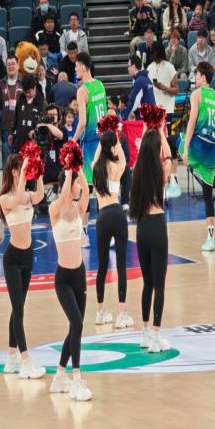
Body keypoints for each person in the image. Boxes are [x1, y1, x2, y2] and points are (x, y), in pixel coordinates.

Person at [0, 156, 46, 378]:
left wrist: (39, 172)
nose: (25, 172)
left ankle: (11, 358)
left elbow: (40, 195)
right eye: (22, 169)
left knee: (19, 308)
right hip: (12, 260)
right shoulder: (5, 198)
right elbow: (16, 198)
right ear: (14, 172)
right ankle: (25, 359)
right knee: (18, 311)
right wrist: (25, 174)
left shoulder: (26, 195)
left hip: (27, 258)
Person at [48, 168, 92, 401]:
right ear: (67, 185)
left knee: (76, 327)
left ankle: (59, 376)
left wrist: (78, 167)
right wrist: (67, 174)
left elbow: (87, 190)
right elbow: (64, 195)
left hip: (80, 276)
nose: (78, 188)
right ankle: (76, 378)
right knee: (76, 322)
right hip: (63, 279)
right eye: (75, 184)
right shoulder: (54, 209)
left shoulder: (78, 209)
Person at [130, 126, 173, 352]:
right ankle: (156, 334)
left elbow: (145, 154)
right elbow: (170, 157)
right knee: (159, 284)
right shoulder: (161, 169)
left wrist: (148, 132)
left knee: (147, 283)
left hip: (141, 228)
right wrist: (162, 132)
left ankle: (145, 331)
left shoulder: (137, 170)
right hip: (157, 226)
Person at [183, 62, 215, 251]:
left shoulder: (197, 94)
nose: (195, 78)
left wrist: (185, 149)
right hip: (213, 149)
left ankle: (173, 182)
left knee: (175, 141)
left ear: (202, 77)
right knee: (208, 194)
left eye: (196, 75)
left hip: (198, 144)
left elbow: (192, 122)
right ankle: (210, 238)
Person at [92, 130, 133, 328]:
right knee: (121, 266)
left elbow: (98, 154)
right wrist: (116, 139)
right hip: (117, 215)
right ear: (113, 146)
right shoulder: (117, 167)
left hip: (102, 217)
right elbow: (125, 159)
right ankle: (121, 313)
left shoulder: (95, 167)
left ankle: (100, 311)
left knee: (101, 266)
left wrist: (103, 139)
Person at [72, 52, 107, 247]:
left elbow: (83, 122)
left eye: (77, 66)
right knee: (103, 190)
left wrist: (73, 140)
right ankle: (109, 233)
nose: (75, 69)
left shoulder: (82, 90)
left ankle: (83, 232)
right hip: (103, 143)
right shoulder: (100, 85)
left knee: (86, 190)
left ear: (83, 67)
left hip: (90, 144)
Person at [147, 42, 180, 198]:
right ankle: (159, 177)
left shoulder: (170, 67)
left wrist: (163, 87)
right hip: (154, 112)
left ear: (160, 52)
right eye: (152, 53)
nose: (154, 56)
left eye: (155, 53)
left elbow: (176, 89)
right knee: (157, 145)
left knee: (170, 144)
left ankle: (174, 177)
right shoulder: (149, 68)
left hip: (167, 110)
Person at [0, 53, 22, 165]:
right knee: (8, 161)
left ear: (18, 66)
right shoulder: (1, 83)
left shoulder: (22, 82)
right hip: (6, 127)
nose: (10, 67)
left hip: (20, 128)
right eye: (8, 64)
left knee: (20, 160)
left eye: (13, 64)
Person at [11, 75, 47, 152]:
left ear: (35, 88)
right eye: (25, 92)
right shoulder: (21, 99)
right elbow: (16, 117)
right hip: (20, 141)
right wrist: (11, 133)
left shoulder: (42, 101)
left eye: (29, 92)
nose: (27, 94)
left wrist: (37, 133)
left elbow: (46, 123)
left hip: (34, 143)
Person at [122, 55, 156, 120]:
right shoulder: (146, 79)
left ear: (134, 66)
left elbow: (134, 103)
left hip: (146, 119)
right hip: (151, 117)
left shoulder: (139, 81)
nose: (128, 69)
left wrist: (124, 116)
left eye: (128, 66)